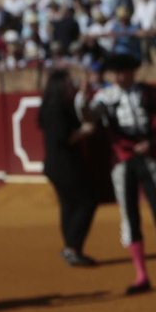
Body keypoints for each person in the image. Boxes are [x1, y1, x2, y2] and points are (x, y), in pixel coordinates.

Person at [84, 51, 156, 294]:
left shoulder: (148, 93)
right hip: (122, 162)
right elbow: (90, 117)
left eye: (123, 71)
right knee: (130, 216)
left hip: (147, 157)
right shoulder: (104, 96)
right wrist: (83, 96)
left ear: (132, 72)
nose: (119, 76)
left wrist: (152, 143)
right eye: (115, 72)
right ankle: (141, 275)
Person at [40, 68, 100, 267]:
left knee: (69, 205)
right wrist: (84, 132)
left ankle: (71, 248)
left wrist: (83, 87)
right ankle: (72, 249)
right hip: (65, 164)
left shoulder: (51, 105)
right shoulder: (57, 109)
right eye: (68, 83)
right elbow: (63, 138)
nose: (71, 86)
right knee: (86, 202)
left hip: (56, 164)